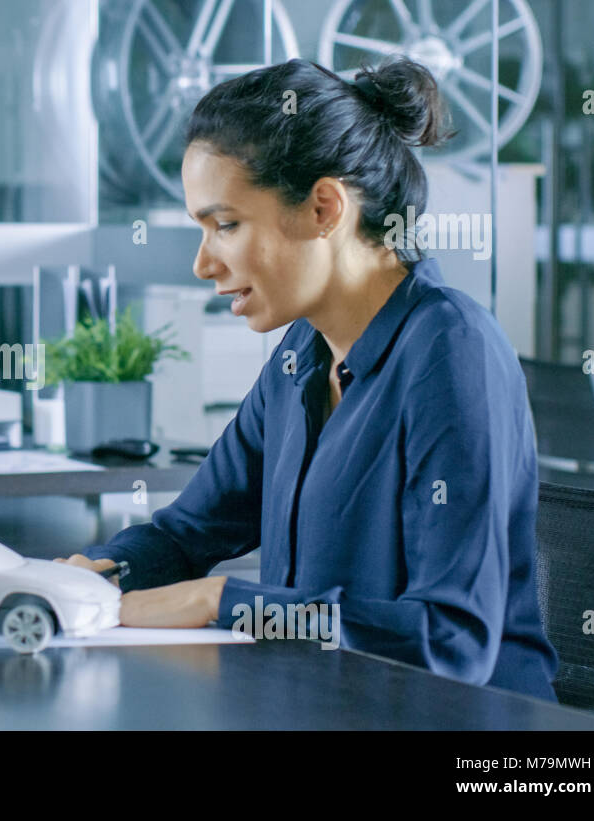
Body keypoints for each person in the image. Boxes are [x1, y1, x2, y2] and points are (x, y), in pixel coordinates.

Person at [64, 57, 558, 700]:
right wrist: (96, 577)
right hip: (325, 706)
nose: (202, 263)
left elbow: (450, 639)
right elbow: (188, 534)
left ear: (325, 207)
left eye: (226, 225)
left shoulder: (451, 352)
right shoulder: (303, 353)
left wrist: (223, 601)